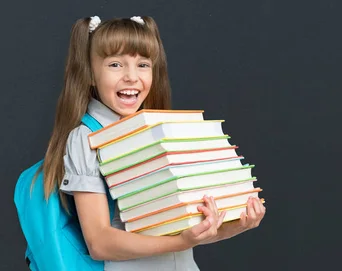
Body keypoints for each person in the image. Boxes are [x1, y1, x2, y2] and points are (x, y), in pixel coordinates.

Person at [41, 15, 266, 270]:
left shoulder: (157, 129)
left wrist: (238, 224)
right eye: (115, 64)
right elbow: (99, 243)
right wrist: (180, 242)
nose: (131, 77)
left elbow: (194, 233)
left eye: (143, 64)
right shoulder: (86, 138)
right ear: (91, 74)